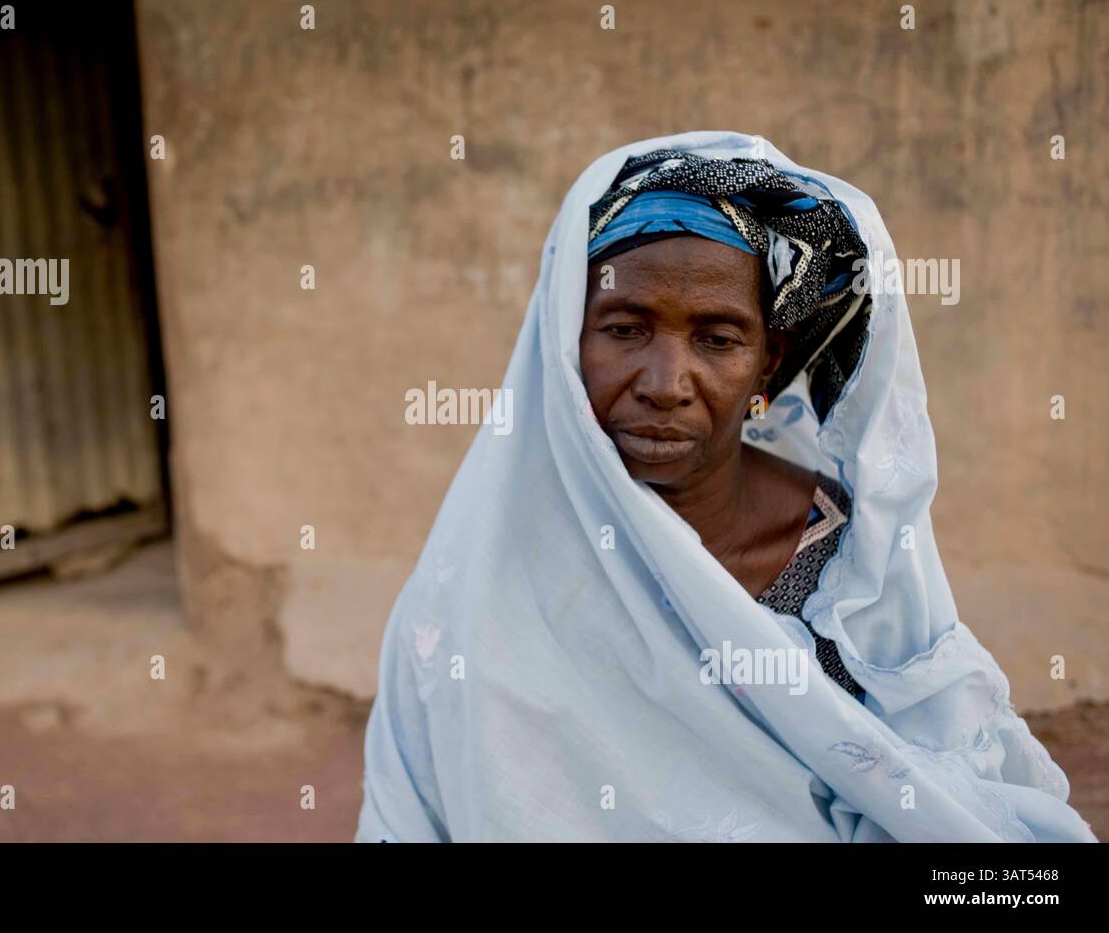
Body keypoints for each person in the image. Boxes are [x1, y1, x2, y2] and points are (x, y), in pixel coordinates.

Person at [353, 131, 1097, 842]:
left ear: (768, 363)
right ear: (565, 337)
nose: (666, 384)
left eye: (717, 339)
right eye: (624, 329)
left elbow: (941, 771)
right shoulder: (476, 581)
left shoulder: (849, 563)